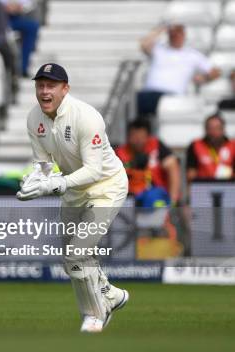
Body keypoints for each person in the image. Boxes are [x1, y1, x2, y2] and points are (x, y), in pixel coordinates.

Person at [16, 63, 129, 332]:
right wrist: (33, 180)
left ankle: (94, 314)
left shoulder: (86, 117)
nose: (44, 91)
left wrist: (54, 185)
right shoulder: (34, 119)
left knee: (78, 254)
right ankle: (111, 295)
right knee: (72, 259)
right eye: (40, 85)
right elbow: (42, 163)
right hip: (73, 191)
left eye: (51, 86)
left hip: (106, 188)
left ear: (65, 89)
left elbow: (94, 170)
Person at [137, 23, 220, 116]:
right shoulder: (159, 48)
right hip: (149, 94)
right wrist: (160, 29)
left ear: (184, 35)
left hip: (173, 97)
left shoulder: (192, 55)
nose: (175, 36)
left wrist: (204, 78)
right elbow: (143, 45)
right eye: (173, 33)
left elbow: (215, 72)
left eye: (178, 33)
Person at [115, 120, 181, 207]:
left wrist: (173, 200)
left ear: (148, 136)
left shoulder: (156, 145)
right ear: (128, 137)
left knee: (154, 200)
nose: (138, 140)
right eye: (134, 136)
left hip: (154, 193)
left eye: (142, 136)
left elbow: (172, 164)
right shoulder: (120, 153)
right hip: (129, 196)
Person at [186, 114, 235, 182]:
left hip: (228, 187)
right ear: (205, 130)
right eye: (210, 128)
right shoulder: (196, 145)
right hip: (203, 188)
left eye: (217, 128)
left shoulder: (233, 145)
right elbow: (191, 174)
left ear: (223, 129)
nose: (213, 132)